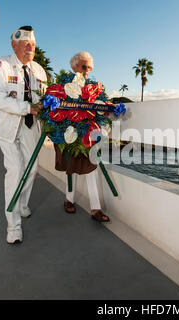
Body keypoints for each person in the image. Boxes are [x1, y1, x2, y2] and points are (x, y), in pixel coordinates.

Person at [0, 26, 47, 244]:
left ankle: (22, 204)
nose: (29, 48)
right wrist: (27, 108)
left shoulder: (39, 71)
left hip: (30, 125)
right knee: (15, 169)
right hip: (8, 125)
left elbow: (45, 98)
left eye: (32, 44)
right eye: (25, 44)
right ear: (14, 45)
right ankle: (13, 227)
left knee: (32, 168)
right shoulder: (1, 65)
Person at [55, 51, 110, 223]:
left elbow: (100, 109)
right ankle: (69, 200)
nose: (87, 70)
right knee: (72, 170)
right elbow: (56, 109)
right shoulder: (63, 85)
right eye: (84, 66)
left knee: (91, 171)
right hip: (69, 135)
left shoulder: (94, 87)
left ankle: (95, 208)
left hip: (88, 136)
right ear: (74, 66)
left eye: (90, 68)